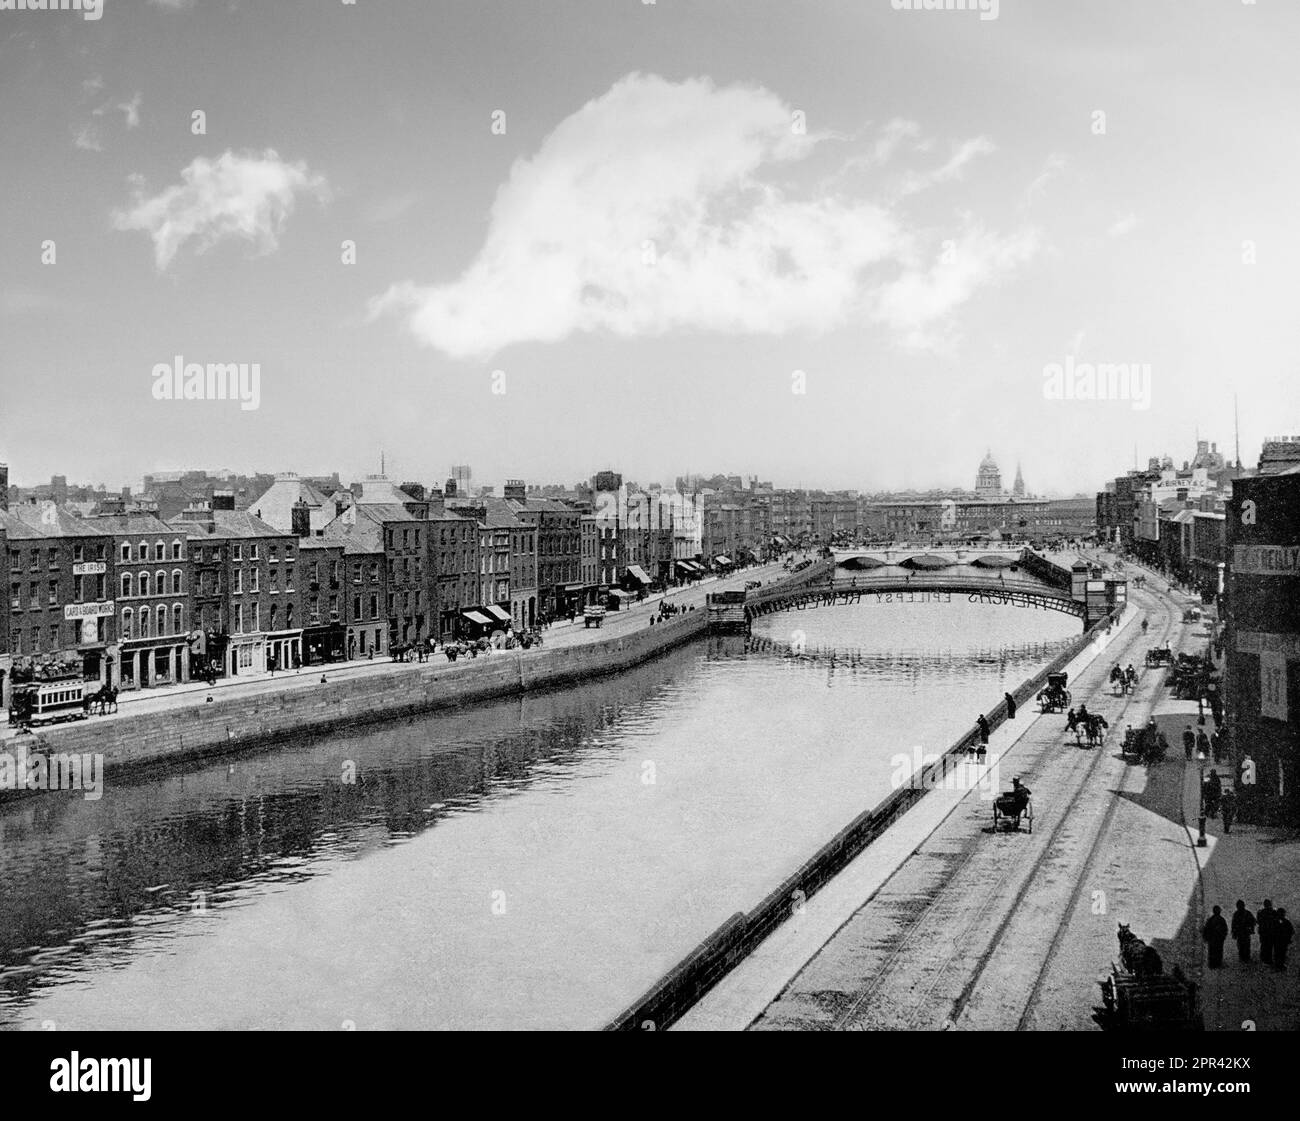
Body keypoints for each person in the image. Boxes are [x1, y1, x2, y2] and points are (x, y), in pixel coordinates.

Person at [1258, 900, 1277, 966]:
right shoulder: (1274, 911)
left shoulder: (1261, 912)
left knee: (1264, 946)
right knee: (1270, 946)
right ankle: (1268, 959)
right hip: (1271, 932)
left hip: (1264, 932)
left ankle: (1264, 959)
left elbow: (1259, 921)